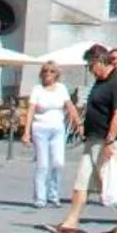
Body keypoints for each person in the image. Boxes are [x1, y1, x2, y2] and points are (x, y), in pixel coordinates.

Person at [52, 45, 117, 233]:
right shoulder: (99, 81)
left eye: (90, 66)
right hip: (93, 138)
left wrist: (110, 141)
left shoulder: (116, 82)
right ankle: (71, 221)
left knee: (110, 180)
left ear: (99, 62)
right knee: (82, 180)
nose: (89, 70)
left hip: (106, 140)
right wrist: (83, 123)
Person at [22, 63, 75, 209]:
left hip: (58, 129)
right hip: (40, 128)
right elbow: (31, 110)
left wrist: (79, 123)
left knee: (58, 162)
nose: (48, 73)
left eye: (51, 71)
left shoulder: (61, 88)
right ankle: (40, 198)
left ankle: (54, 194)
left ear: (56, 74)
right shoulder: (37, 89)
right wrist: (26, 132)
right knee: (43, 164)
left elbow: (70, 106)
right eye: (45, 71)